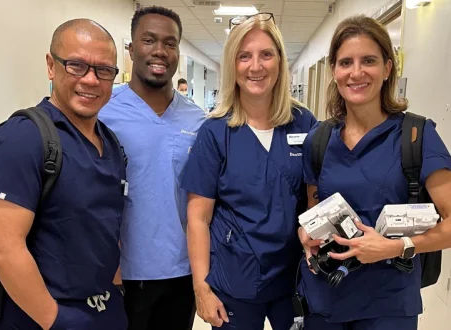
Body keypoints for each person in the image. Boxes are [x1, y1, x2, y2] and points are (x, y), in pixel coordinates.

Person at [298, 15, 451, 330]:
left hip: (388, 304)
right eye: (345, 63)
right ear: (334, 71)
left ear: (387, 68)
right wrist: (307, 233)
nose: (356, 73)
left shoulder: (416, 136)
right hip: (325, 297)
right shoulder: (320, 138)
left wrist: (395, 246)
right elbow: (314, 207)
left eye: (368, 60)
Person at [0, 19, 128, 329]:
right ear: (51, 65)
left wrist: (116, 289)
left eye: (103, 70)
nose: (91, 80)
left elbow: (106, 227)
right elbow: (2, 248)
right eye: (76, 65)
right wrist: (56, 320)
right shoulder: (22, 138)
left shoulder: (110, 143)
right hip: (45, 317)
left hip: (104, 309)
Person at [180, 13, 316, 330]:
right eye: (245, 56)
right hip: (234, 280)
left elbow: (316, 199)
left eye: (266, 54)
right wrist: (201, 287)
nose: (255, 66)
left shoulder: (304, 123)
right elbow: (198, 217)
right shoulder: (215, 132)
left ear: (280, 62)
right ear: (233, 65)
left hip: (294, 278)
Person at [98, 6, 205, 330]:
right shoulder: (103, 112)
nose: (159, 51)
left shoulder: (198, 120)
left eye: (170, 43)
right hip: (119, 274)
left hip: (181, 272)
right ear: (131, 49)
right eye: (149, 40)